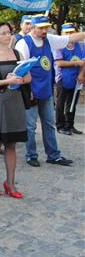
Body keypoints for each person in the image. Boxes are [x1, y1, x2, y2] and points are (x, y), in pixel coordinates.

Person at [16, 15, 85, 166]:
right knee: (30, 126)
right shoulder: (24, 43)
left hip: (46, 91)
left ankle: (53, 155)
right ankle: (31, 155)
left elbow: (71, 38)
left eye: (46, 27)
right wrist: (29, 90)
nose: (44, 30)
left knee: (49, 124)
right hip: (31, 91)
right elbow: (21, 69)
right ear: (32, 27)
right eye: (41, 28)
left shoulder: (49, 39)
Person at [0, 22, 30, 198]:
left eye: (9, 33)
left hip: (14, 102)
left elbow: (28, 77)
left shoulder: (18, 53)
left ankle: (10, 183)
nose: (8, 36)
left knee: (11, 144)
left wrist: (19, 79)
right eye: (3, 33)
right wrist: (6, 81)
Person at [54, 23, 84, 135]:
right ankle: (60, 125)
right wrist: (76, 62)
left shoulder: (77, 45)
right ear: (62, 33)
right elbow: (59, 62)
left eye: (71, 32)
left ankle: (69, 125)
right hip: (62, 78)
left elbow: (83, 61)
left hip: (75, 78)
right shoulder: (59, 46)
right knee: (61, 103)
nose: (69, 35)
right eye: (67, 32)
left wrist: (81, 74)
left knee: (72, 103)